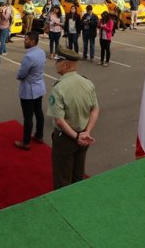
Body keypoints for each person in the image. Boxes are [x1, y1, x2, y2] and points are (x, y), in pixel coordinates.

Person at [47, 48, 99, 189]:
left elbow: (59, 120)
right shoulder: (87, 83)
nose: (55, 63)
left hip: (66, 139)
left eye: (58, 60)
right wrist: (86, 132)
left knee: (62, 179)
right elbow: (95, 109)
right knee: (78, 176)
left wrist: (77, 137)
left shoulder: (59, 88)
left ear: (66, 65)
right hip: (84, 137)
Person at [14, 31, 47, 150]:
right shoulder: (41, 52)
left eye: (26, 39)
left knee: (28, 116)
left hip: (29, 90)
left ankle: (26, 142)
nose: (24, 41)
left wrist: (19, 76)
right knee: (38, 112)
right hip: (39, 87)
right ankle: (39, 135)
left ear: (33, 41)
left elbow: (21, 74)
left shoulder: (29, 56)